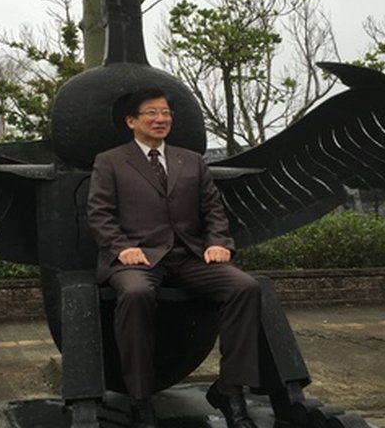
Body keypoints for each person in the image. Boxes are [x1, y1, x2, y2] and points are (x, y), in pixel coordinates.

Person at [87, 88, 261, 428]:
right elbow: (100, 213)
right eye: (151, 113)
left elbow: (213, 209)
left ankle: (230, 390)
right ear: (131, 121)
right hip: (138, 258)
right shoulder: (110, 161)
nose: (161, 119)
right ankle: (140, 399)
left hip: (189, 256)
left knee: (245, 287)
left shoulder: (191, 160)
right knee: (136, 293)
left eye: (165, 113)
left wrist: (219, 242)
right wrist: (121, 247)